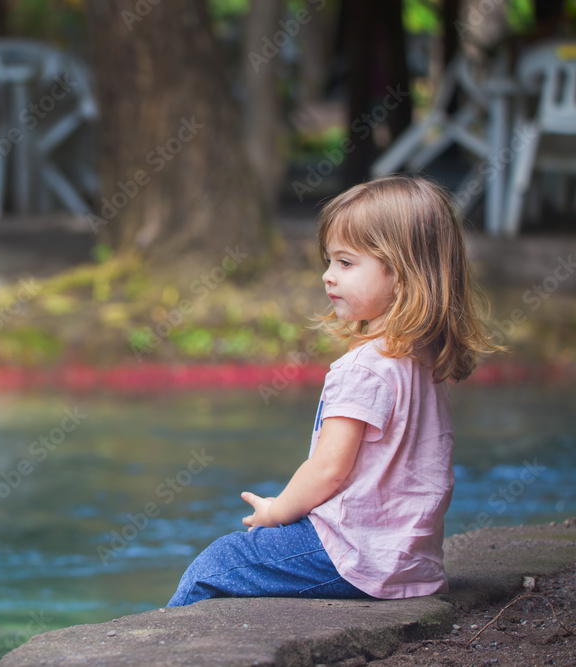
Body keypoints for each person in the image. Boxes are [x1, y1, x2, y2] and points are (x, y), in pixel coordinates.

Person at [167, 175, 505, 606]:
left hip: (351, 554)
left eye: (346, 263)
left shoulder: (363, 367)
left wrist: (276, 511)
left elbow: (329, 469)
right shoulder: (421, 359)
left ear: (401, 276)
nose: (328, 276)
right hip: (409, 561)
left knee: (218, 563)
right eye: (328, 261)